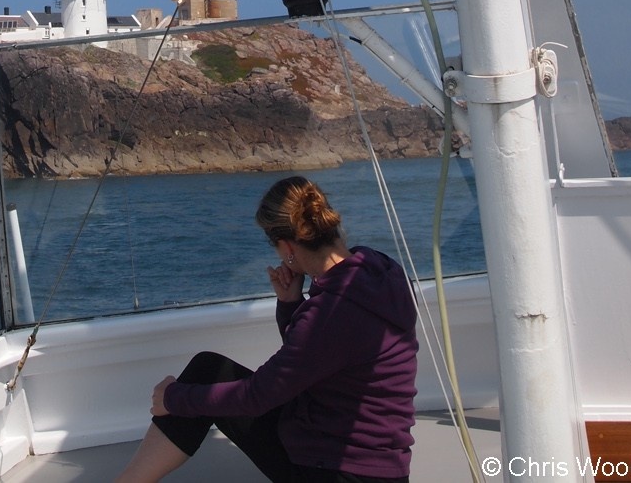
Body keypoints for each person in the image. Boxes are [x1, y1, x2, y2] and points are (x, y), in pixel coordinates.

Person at [114, 176, 418, 483]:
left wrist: (174, 398)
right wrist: (290, 303)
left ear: (287, 246)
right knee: (209, 370)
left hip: (340, 471)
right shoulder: (381, 270)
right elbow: (313, 361)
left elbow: (257, 395)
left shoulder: (330, 312)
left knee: (204, 376)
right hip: (380, 465)